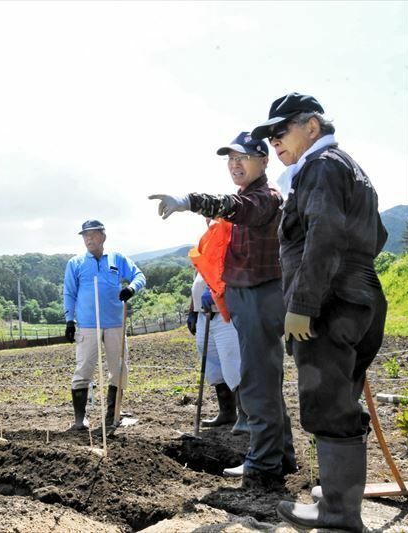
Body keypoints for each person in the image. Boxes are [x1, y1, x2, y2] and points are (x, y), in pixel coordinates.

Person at [250, 93, 388, 532]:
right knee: (342, 400)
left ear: (311, 126)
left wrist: (303, 305)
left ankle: (337, 515)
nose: (274, 141)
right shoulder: (351, 168)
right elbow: (377, 234)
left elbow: (323, 234)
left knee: (328, 405)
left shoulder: (320, 166)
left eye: (280, 131)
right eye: (269, 135)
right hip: (362, 296)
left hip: (330, 304)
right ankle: (336, 497)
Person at [149, 131, 296, 489]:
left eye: (242, 157)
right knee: (265, 381)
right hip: (248, 296)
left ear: (263, 161)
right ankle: (283, 456)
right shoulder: (252, 196)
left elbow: (235, 207)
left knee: (258, 382)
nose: (234, 164)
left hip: (260, 297)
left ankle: (262, 466)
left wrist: (189, 200)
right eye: (230, 159)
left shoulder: (264, 197)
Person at [63, 219, 146, 432]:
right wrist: (69, 320)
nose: (88, 238)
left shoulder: (117, 259)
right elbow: (69, 293)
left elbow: (139, 276)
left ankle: (112, 417)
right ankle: (80, 420)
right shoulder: (75, 263)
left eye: (92, 234)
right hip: (88, 326)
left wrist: (132, 289)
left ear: (103, 236)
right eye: (85, 235)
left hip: (115, 324)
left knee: (119, 368)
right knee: (83, 369)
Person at [188, 272, 248, 434]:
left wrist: (214, 289)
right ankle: (227, 412)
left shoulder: (227, 248)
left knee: (232, 362)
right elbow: (197, 283)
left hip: (224, 313)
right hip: (204, 315)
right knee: (212, 365)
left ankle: (246, 416)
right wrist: (192, 311)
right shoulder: (203, 252)